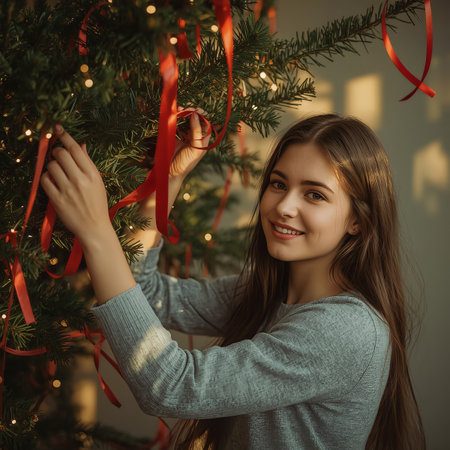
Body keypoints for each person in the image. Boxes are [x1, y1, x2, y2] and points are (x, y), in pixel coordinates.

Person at [40, 113, 426, 449]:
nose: (284, 207)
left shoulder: (346, 328)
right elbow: (150, 293)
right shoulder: (269, 292)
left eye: (314, 194)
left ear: (358, 220)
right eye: (278, 183)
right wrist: (170, 178)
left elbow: (171, 386)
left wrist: (97, 232)